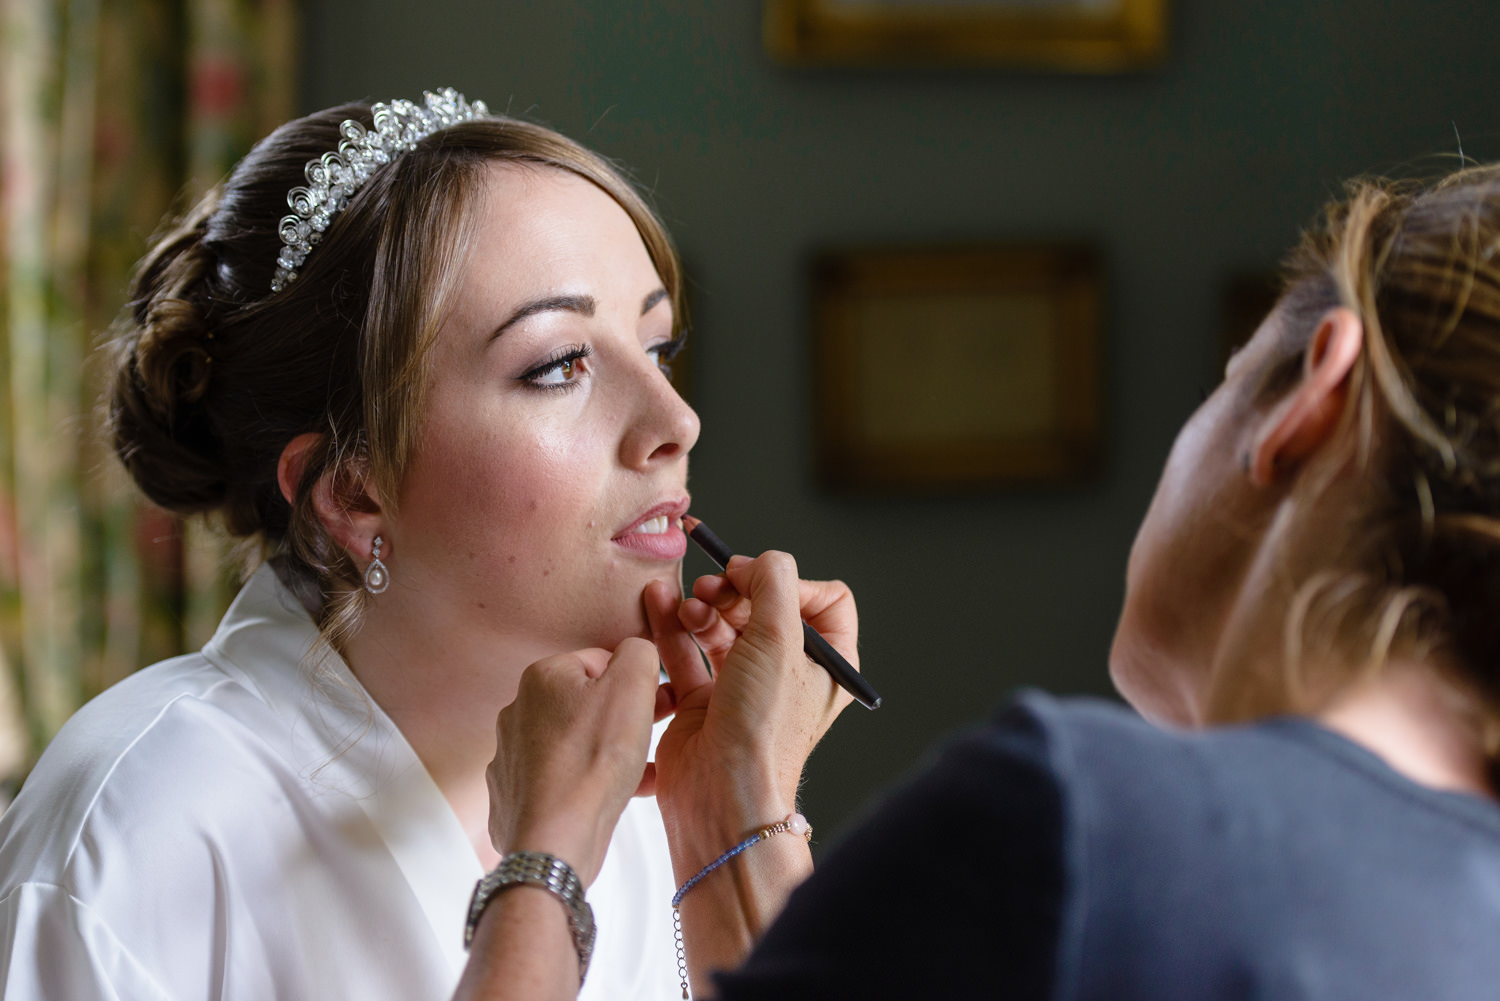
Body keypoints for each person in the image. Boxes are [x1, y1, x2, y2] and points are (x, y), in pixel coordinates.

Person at [0, 89, 857, 1000]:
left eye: (658, 346)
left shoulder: (654, 790)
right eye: (558, 365)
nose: (676, 422)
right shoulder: (131, 835)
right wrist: (547, 870)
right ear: (357, 492)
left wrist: (740, 807)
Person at [704, 164, 1500, 999]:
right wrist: (738, 791)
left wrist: (551, 857)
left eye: (1224, 382)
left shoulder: (1085, 823)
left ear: (1310, 402)